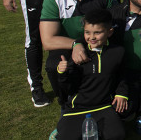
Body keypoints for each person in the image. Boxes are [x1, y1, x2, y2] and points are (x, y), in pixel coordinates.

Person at [39, 0, 118, 107]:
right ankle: (66, 103)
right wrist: (76, 44)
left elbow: (115, 24)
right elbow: (48, 41)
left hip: (99, 44)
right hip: (69, 47)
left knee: (119, 52)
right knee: (53, 65)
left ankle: (109, 95)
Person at [54, 9, 126, 140]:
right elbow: (69, 88)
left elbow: (122, 75)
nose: (92, 37)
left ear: (109, 32)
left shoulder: (118, 51)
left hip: (104, 106)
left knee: (117, 136)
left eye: (97, 33)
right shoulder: (78, 55)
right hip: (78, 108)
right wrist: (62, 73)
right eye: (87, 32)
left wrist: (121, 93)